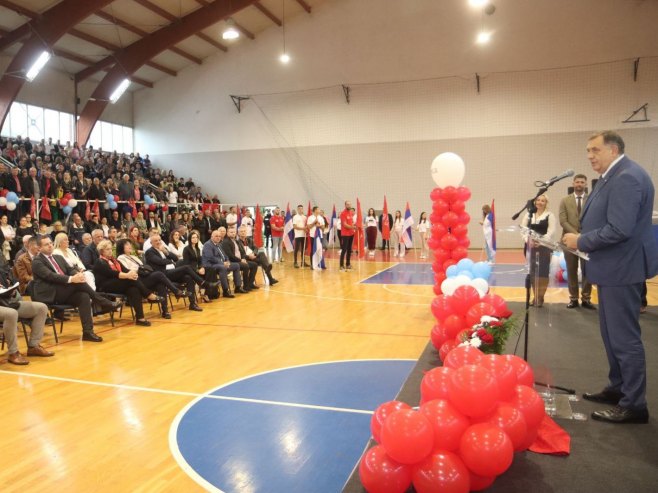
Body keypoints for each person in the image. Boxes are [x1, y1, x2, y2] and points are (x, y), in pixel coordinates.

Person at [563, 131, 658, 424]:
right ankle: (618, 388)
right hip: (611, 268)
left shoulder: (627, 177)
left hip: (622, 268)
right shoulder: (611, 176)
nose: (589, 156)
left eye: (595, 150)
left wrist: (581, 241)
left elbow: (619, 229)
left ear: (613, 150)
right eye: (588, 151)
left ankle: (634, 404)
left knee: (624, 339)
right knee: (611, 335)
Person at [31, 236, 121, 342]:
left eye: (50, 243)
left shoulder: (58, 257)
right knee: (77, 284)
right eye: (46, 244)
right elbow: (51, 276)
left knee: (84, 296)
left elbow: (70, 269)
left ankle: (88, 332)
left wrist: (78, 274)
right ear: (39, 248)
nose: (50, 246)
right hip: (51, 293)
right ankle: (103, 301)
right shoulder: (37, 261)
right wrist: (72, 279)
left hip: (64, 291)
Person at [93, 240, 161, 326]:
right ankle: (148, 294)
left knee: (134, 289)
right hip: (105, 286)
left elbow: (126, 270)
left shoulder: (115, 261)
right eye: (107, 249)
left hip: (118, 284)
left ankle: (140, 318)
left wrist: (132, 273)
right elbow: (113, 273)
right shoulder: (100, 262)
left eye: (110, 249)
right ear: (102, 251)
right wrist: (128, 275)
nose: (110, 251)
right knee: (131, 280)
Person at [116, 239, 184, 319]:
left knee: (160, 284)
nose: (130, 246)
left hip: (144, 277)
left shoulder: (133, 257)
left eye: (129, 244)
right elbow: (127, 271)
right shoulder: (121, 258)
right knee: (159, 274)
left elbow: (143, 267)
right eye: (127, 244)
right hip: (136, 280)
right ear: (122, 247)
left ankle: (165, 311)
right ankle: (176, 291)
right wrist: (138, 269)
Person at [558, 174, 594, 309]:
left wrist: (583, 237)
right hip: (568, 240)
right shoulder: (564, 200)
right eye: (577, 182)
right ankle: (573, 298)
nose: (579, 184)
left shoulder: (592, 199)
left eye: (582, 182)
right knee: (571, 270)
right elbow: (563, 221)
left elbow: (594, 219)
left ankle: (586, 298)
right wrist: (576, 235)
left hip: (587, 240)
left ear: (586, 184)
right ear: (573, 183)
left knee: (587, 271)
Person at [0, 279, 54, 365]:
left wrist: (12, 292)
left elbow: (13, 292)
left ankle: (34, 346)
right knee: (11, 314)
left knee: (42, 308)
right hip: (5, 307)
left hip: (8, 303)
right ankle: (13, 353)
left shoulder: (2, 273)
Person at [520, 194, 556, 307]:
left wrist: (540, 241)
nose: (540, 202)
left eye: (543, 201)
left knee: (543, 273)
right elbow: (523, 230)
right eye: (538, 200)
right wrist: (528, 240)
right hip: (530, 247)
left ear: (546, 203)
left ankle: (540, 297)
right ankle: (535, 296)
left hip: (544, 247)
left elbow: (551, 232)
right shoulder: (528, 214)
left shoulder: (550, 215)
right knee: (533, 272)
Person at [201, 228, 245, 297]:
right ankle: (225, 290)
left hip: (221, 264)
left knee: (236, 265)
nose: (218, 238)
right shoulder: (208, 245)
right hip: (211, 265)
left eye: (219, 236)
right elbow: (211, 257)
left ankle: (238, 287)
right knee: (223, 268)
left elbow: (225, 255)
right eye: (216, 236)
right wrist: (222, 263)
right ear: (211, 236)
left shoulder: (218, 244)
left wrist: (227, 261)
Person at [339, 201, 356, 271]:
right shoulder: (343, 213)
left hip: (351, 233)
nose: (349, 205)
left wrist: (355, 225)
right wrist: (352, 227)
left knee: (349, 249)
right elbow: (344, 224)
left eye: (350, 204)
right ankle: (341, 265)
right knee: (344, 249)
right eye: (347, 204)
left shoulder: (351, 213)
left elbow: (352, 222)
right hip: (345, 234)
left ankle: (348, 264)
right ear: (345, 205)